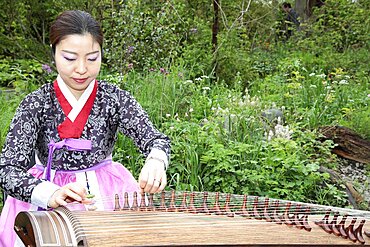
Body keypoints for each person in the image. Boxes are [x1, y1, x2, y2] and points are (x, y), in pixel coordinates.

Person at [0, 10, 170, 247]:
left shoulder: (114, 99)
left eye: (92, 58)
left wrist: (156, 160)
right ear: (54, 53)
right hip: (46, 193)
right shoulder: (35, 103)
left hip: (107, 193)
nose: (82, 69)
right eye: (70, 58)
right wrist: (48, 193)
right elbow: (8, 169)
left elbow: (155, 139)